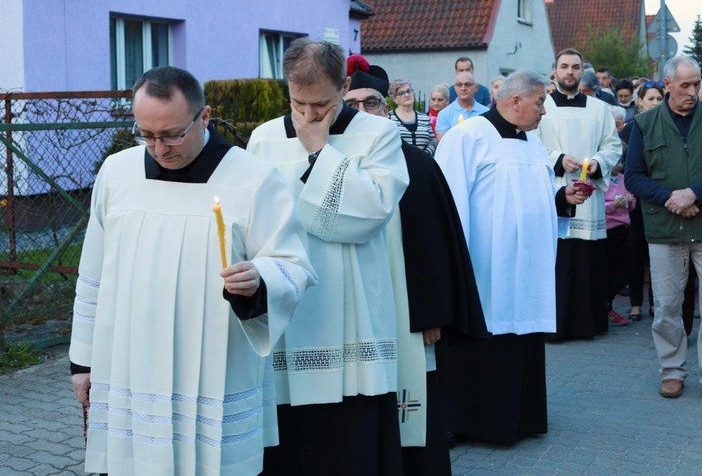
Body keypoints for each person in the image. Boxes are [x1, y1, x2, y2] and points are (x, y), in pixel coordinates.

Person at [68, 66, 316, 475]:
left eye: (171, 135)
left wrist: (259, 278)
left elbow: (293, 264)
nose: (159, 149)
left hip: (215, 367)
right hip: (130, 365)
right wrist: (82, 362)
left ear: (204, 117)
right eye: (146, 135)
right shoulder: (117, 173)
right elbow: (92, 272)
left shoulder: (254, 179)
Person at [247, 39, 409, 474]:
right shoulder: (263, 139)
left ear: (344, 85)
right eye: (298, 102)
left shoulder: (378, 134)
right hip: (290, 308)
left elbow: (371, 213)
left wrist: (319, 152)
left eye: (320, 103)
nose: (309, 115)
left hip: (353, 304)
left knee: (349, 436)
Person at [345, 55, 487, 476]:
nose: (362, 114)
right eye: (351, 105)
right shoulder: (326, 162)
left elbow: (434, 248)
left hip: (406, 314)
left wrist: (432, 315)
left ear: (386, 107)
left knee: (413, 413)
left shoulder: (417, 166)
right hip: (349, 316)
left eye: (370, 103)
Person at [435, 69, 587, 444]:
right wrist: (457, 266)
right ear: (516, 101)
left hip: (527, 268)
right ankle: (473, 423)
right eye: (539, 103)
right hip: (486, 267)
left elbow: (535, 196)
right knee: (485, 337)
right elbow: (449, 204)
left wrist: (561, 199)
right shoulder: (466, 138)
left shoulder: (533, 144)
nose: (544, 112)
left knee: (523, 335)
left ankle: (522, 418)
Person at [624, 54, 702, 399]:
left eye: (697, 84)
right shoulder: (644, 124)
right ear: (667, 85)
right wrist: (672, 197)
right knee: (668, 306)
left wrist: (693, 194)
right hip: (664, 228)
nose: (692, 91)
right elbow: (633, 178)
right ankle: (672, 371)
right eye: (685, 85)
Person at [534, 48, 622, 341]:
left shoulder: (599, 108)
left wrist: (597, 163)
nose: (569, 72)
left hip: (589, 197)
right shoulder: (540, 106)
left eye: (575, 67)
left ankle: (587, 325)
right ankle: (554, 327)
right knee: (558, 263)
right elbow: (528, 145)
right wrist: (558, 159)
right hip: (555, 192)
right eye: (564, 67)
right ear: (555, 72)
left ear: (582, 71)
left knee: (586, 263)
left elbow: (613, 146)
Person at [621, 81, 665, 321]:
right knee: (636, 251)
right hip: (636, 199)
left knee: (658, 255)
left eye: (659, 99)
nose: (655, 104)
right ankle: (636, 302)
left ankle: (655, 303)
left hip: (661, 196)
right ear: (639, 101)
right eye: (651, 99)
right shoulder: (630, 129)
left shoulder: (666, 126)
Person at [604, 153, 636, 324]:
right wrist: (612, 205)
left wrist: (630, 201)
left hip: (623, 230)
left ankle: (604, 303)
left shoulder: (624, 179)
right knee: (611, 271)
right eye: (615, 161)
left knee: (628, 270)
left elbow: (632, 203)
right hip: (609, 230)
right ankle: (605, 306)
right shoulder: (601, 180)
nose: (619, 165)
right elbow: (595, 207)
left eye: (621, 161)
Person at [435, 70, 489, 142]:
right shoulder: (445, 114)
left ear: (476, 88)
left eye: (467, 84)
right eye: (459, 85)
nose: (463, 88)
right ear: (455, 88)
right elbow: (443, 143)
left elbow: (489, 140)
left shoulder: (486, 113)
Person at [388, 78, 437, 156]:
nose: (407, 95)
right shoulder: (389, 119)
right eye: (401, 93)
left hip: (423, 164)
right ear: (395, 99)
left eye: (408, 91)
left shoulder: (424, 118)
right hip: (400, 164)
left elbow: (433, 141)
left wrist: (425, 155)